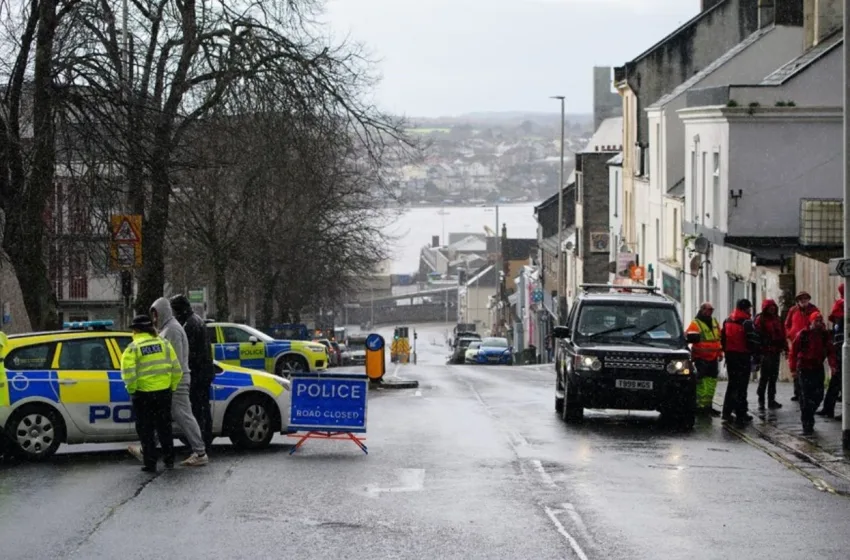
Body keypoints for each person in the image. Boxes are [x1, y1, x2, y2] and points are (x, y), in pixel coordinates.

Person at [127, 298, 209, 467]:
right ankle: (149, 451)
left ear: (162, 312)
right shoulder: (169, 328)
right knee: (162, 419)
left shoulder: (172, 330)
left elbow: (175, 360)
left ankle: (200, 451)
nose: (154, 319)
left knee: (182, 415)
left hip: (175, 381)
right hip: (170, 381)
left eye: (155, 314)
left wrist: (171, 383)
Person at [121, 315, 183, 473]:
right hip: (164, 393)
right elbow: (177, 369)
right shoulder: (164, 344)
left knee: (146, 429)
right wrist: (172, 387)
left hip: (143, 395)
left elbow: (129, 373)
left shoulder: (133, 348)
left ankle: (150, 462)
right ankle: (169, 460)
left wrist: (132, 390)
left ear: (136, 330)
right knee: (165, 428)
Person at [170, 294, 215, 449]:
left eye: (174, 310)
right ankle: (204, 439)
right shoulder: (196, 321)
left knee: (197, 409)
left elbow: (189, 353)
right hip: (203, 373)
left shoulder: (189, 325)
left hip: (197, 374)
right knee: (202, 408)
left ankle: (200, 441)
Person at [789, 312, 837, 435]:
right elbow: (793, 352)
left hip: (817, 368)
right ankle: (807, 425)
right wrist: (793, 369)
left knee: (818, 395)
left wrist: (833, 366)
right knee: (805, 397)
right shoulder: (803, 335)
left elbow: (830, 352)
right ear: (811, 322)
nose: (819, 323)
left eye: (820, 321)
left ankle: (809, 415)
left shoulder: (824, 336)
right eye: (817, 321)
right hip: (804, 368)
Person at [721, 299, 760, 426]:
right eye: (749, 308)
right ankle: (741, 413)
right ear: (745, 309)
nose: (750, 311)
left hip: (730, 357)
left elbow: (723, 339)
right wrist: (756, 356)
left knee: (732, 385)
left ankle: (727, 411)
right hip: (743, 356)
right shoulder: (747, 322)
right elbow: (752, 341)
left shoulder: (727, 321)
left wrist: (726, 353)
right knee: (742, 386)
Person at [686, 302, 723, 416]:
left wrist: (720, 352)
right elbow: (688, 337)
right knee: (701, 383)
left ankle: (708, 406)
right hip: (701, 358)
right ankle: (700, 407)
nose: (711, 312)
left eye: (712, 310)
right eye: (708, 309)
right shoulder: (695, 323)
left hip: (713, 358)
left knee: (711, 382)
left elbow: (719, 339)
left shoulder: (715, 322)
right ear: (702, 310)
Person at [785, 291, 819, 402]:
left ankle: (807, 391)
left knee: (806, 366)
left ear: (808, 299)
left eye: (805, 298)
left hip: (808, 341)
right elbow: (787, 324)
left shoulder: (813, 310)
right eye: (801, 299)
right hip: (795, 340)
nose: (803, 300)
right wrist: (790, 335)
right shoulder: (793, 310)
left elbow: (818, 321)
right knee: (795, 366)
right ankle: (798, 392)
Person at [754, 299, 787, 410]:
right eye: (770, 307)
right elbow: (757, 336)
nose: (772, 309)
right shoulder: (760, 320)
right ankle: (761, 400)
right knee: (765, 377)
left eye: (773, 307)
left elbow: (783, 334)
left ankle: (771, 400)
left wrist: (785, 347)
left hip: (775, 351)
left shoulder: (777, 319)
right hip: (765, 352)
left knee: (773, 377)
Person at [819, 283, 844, 419]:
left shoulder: (841, 305)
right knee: (838, 380)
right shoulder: (842, 305)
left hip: (840, 348)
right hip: (840, 347)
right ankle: (829, 408)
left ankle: (830, 409)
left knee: (839, 380)